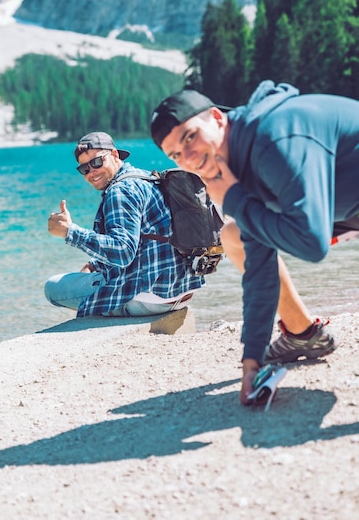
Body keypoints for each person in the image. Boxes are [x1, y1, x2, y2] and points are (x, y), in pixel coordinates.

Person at [149, 82, 359, 404]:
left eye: (190, 137)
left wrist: (234, 199)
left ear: (217, 118)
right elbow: (259, 268)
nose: (188, 158)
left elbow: (311, 243)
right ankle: (301, 335)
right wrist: (252, 363)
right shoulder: (235, 166)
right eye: (176, 154)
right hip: (348, 208)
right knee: (236, 235)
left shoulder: (273, 139)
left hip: (342, 210)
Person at [45, 131, 204, 318]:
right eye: (84, 169)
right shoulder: (146, 178)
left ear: (114, 155)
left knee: (53, 288)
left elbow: (123, 252)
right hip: (180, 292)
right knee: (89, 274)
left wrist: (70, 232)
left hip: (149, 299)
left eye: (96, 162)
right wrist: (95, 264)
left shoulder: (120, 191)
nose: (92, 172)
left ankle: (100, 313)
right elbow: (144, 240)